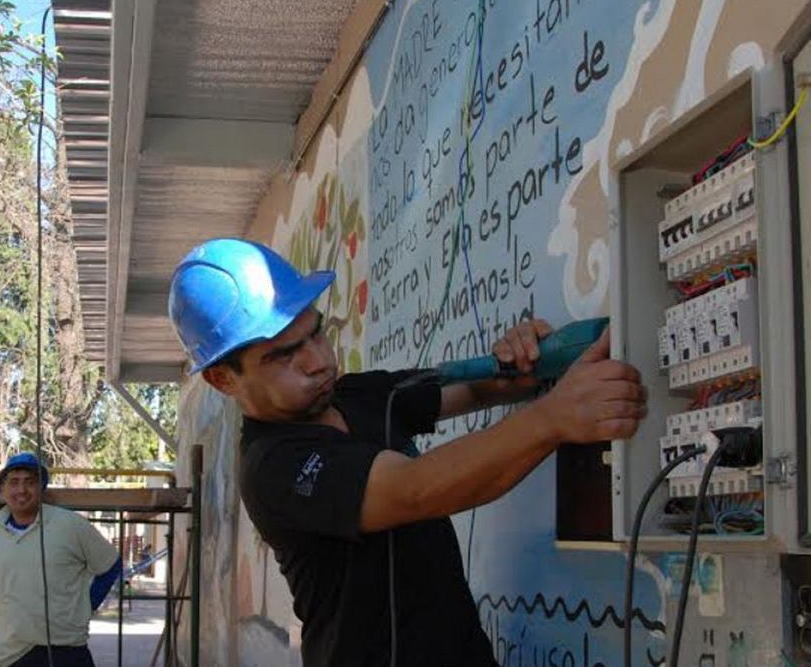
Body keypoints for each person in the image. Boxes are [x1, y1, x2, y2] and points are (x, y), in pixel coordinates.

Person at [167, 238, 647, 666]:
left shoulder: (359, 395)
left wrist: (526, 360)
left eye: (315, 333)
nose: (317, 361)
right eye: (283, 355)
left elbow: (477, 389)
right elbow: (414, 489)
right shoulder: (272, 466)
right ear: (223, 378)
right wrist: (553, 419)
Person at [0, 452, 123, 667]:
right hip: (10, 654)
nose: (21, 490)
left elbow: (111, 564)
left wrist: (87, 605)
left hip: (66, 650)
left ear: (41, 488)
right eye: (14, 482)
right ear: (2, 489)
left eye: (30, 482)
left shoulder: (71, 525)